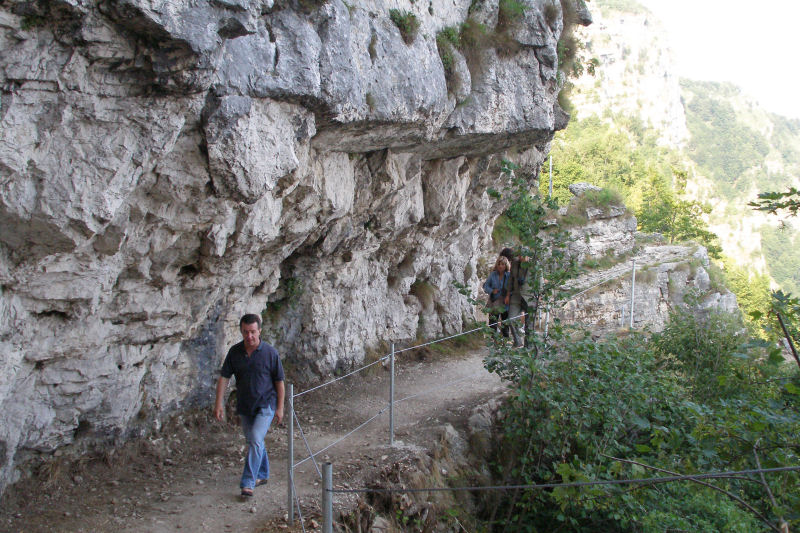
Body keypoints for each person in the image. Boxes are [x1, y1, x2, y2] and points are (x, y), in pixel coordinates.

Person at [214, 314, 285, 498]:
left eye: (253, 332)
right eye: (246, 332)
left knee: (255, 439)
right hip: (245, 405)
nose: (249, 336)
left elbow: (279, 382)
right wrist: (219, 403)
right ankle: (263, 473)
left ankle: (248, 482)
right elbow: (224, 377)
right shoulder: (235, 352)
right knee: (255, 440)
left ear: (259, 331)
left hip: (266, 404)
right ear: (241, 331)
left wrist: (280, 408)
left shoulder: (270, 353)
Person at [500, 247, 529, 347]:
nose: (520, 258)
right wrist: (508, 295)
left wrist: (540, 294)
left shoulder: (534, 264)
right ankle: (518, 341)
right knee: (511, 318)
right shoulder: (515, 263)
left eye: (522, 256)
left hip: (529, 296)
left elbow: (539, 280)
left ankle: (528, 346)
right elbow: (511, 280)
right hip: (516, 295)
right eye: (519, 255)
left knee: (529, 323)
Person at [483, 255, 511, 336]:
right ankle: (493, 340)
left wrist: (508, 296)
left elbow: (512, 287)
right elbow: (485, 286)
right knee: (492, 324)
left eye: (502, 264)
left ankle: (505, 340)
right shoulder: (493, 275)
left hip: (505, 302)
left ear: (506, 265)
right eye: (499, 264)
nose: (500, 266)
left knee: (505, 324)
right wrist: (492, 291)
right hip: (494, 301)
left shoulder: (509, 275)